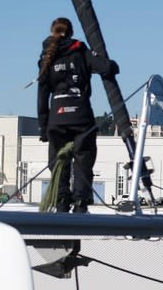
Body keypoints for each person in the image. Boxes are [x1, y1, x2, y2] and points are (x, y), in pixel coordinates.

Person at [37, 17, 119, 213]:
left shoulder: (47, 56)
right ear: (71, 32)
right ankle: (81, 204)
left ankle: (61, 202)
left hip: (57, 118)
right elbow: (108, 68)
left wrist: (43, 126)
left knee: (58, 163)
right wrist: (105, 59)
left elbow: (42, 93)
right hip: (81, 117)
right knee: (83, 160)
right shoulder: (81, 51)